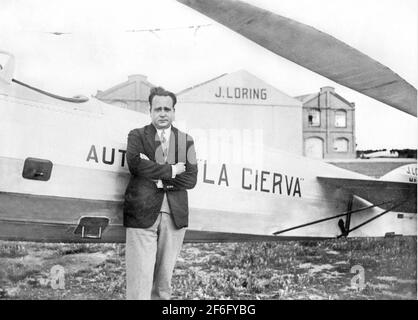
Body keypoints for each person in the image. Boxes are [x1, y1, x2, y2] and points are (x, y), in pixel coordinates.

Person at [124, 86, 198, 300]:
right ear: (150, 111)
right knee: (139, 284)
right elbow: (135, 165)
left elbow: (191, 178)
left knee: (163, 285)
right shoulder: (136, 135)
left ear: (174, 112)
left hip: (174, 215)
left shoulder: (186, 140)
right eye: (158, 109)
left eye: (167, 109)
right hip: (142, 213)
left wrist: (155, 175)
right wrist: (173, 170)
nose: (163, 113)